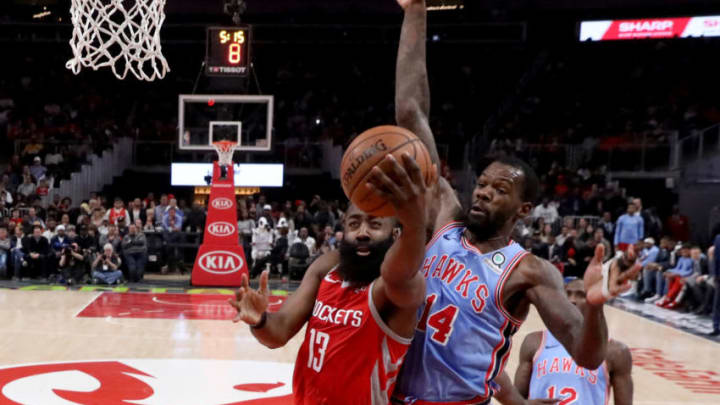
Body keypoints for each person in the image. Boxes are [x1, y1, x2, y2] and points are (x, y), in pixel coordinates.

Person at [385, 1, 640, 402]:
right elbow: (410, 113)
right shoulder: (448, 216)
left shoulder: (530, 272)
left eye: (499, 189)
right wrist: (415, 10)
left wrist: (593, 306)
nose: (484, 191)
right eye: (483, 183)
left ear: (524, 209)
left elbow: (587, 356)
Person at [229, 151, 431, 404]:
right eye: (354, 224)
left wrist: (415, 223)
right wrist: (258, 320)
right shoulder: (327, 269)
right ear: (343, 228)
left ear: (396, 235)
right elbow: (277, 334)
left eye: (375, 225)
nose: (362, 233)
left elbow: (400, 269)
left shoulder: (395, 289)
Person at [494, 278, 633, 405]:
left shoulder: (615, 351)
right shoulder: (534, 342)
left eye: (581, 295)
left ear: (594, 301)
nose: (572, 300)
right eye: (568, 294)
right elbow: (516, 399)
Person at [709, 234, 720, 336]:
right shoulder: (718, 238)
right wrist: (715, 274)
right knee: (717, 303)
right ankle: (716, 327)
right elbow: (716, 258)